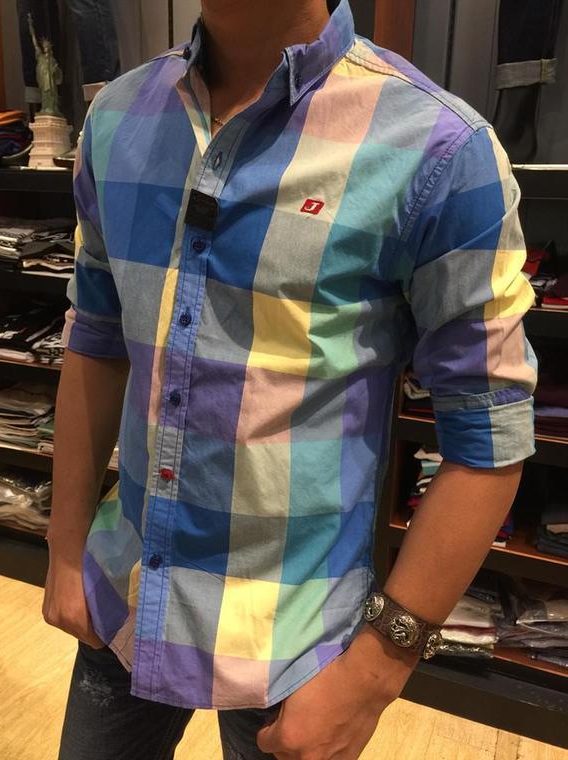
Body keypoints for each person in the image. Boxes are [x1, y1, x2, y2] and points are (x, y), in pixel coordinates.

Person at [42, 1, 538, 758]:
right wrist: (65, 547)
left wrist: (373, 672)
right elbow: (97, 341)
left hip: (300, 643)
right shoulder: (115, 119)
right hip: (125, 592)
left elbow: (490, 433)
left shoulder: (438, 146)